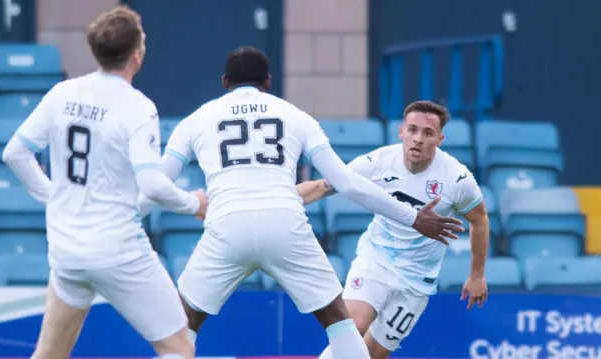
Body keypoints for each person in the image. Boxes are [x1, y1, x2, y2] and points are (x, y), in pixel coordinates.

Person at [138, 46, 464, 359]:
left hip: (226, 226)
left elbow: (155, 185)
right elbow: (347, 182)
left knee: (183, 328)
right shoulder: (296, 116)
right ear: (268, 82)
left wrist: (130, 215)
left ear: (225, 82)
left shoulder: (197, 119)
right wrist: (412, 217)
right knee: (340, 323)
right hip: (286, 224)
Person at [1, 6, 205, 359]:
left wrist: (52, 196)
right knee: (178, 346)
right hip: (118, 250)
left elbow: (15, 154)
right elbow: (153, 186)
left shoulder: (62, 93)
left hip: (67, 250)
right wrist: (193, 204)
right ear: (137, 54)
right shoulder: (137, 107)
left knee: (48, 354)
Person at [296, 100, 490, 359]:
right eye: (412, 130)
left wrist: (477, 275)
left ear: (440, 139)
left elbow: (480, 220)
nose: (418, 139)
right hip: (376, 260)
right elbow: (322, 187)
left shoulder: (457, 179)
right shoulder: (378, 162)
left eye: (427, 133)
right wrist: (276, 199)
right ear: (401, 132)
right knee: (353, 329)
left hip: (417, 282)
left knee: (369, 355)